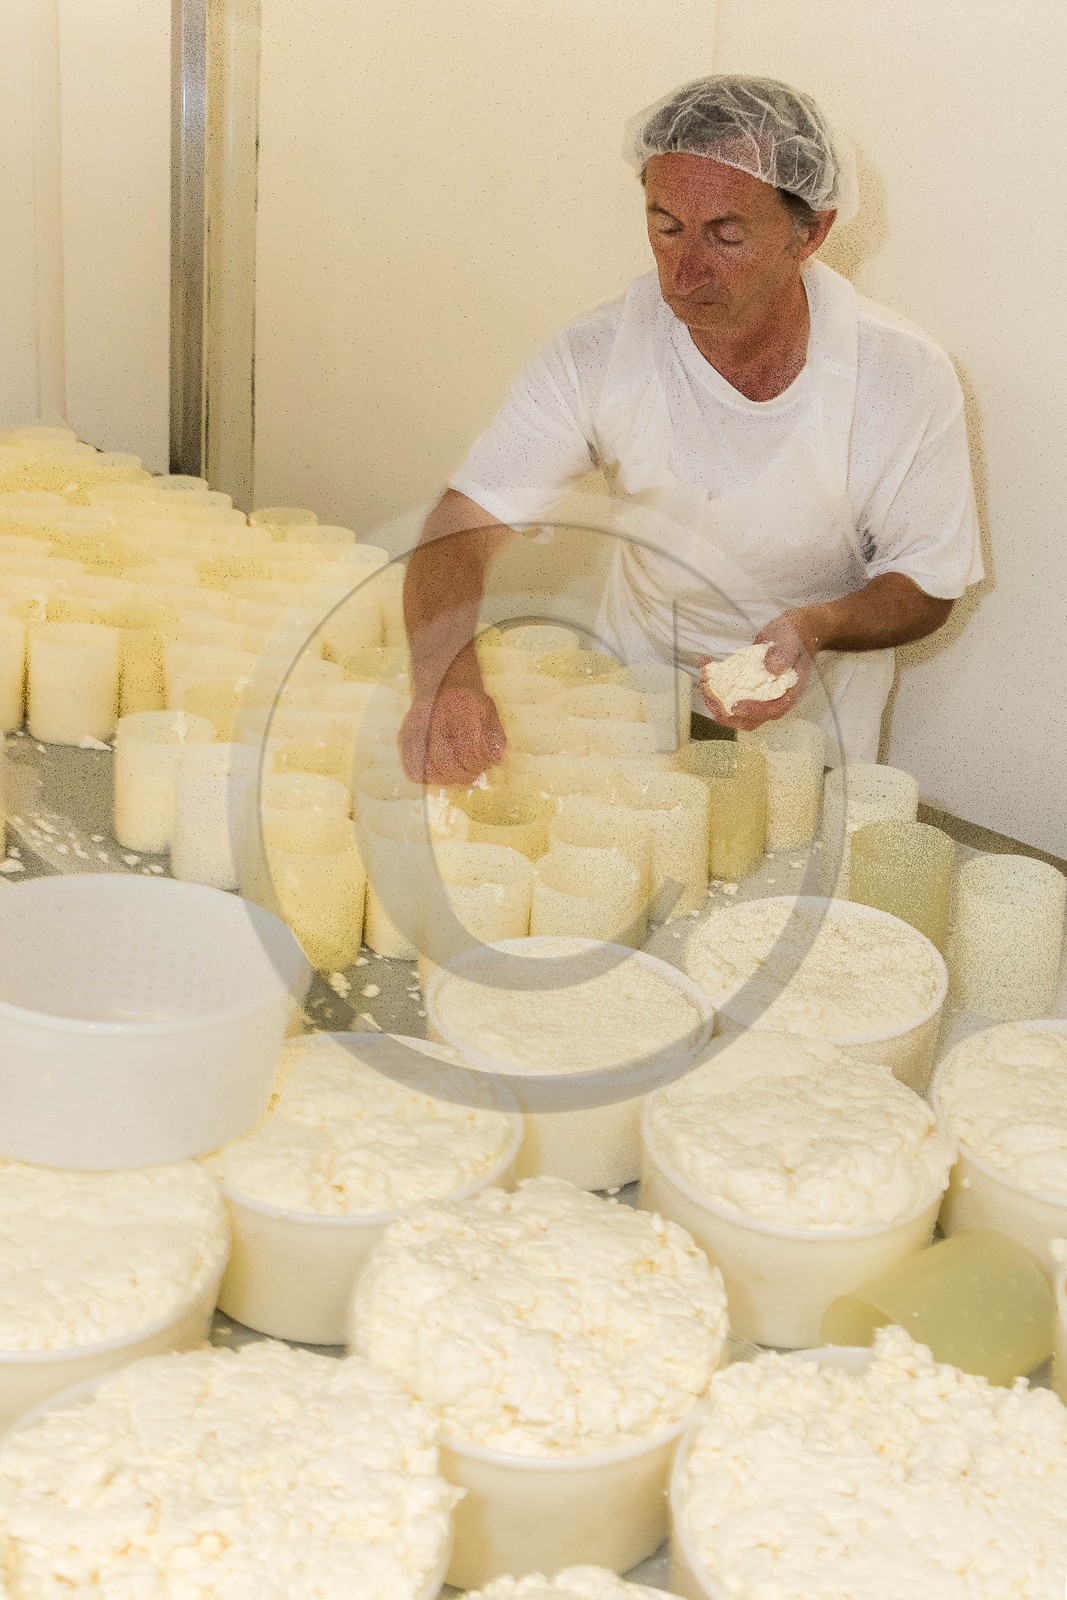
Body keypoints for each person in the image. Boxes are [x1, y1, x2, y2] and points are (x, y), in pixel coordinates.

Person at [400, 74, 982, 786]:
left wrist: (816, 626)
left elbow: (927, 583)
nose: (685, 271)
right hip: (633, 696)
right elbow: (465, 520)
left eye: (726, 234)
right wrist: (445, 676)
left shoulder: (899, 374)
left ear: (812, 231)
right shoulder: (599, 351)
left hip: (809, 729)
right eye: (665, 225)